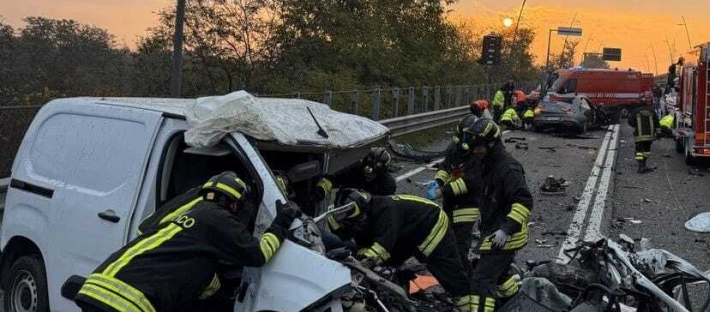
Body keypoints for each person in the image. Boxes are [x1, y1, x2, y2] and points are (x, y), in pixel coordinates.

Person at [76, 172, 297, 312]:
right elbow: (258, 254)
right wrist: (281, 222)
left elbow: (205, 285)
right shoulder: (217, 218)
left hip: (96, 286)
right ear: (234, 205)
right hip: (129, 303)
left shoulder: (181, 223)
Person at [327, 189, 470, 307]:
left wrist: (358, 266)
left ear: (365, 210)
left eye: (359, 220)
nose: (358, 224)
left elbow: (382, 247)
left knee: (444, 268)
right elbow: (362, 244)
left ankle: (468, 301)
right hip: (407, 231)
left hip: (430, 223)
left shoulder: (385, 211)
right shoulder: (364, 216)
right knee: (389, 264)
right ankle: (399, 287)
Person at [459, 118, 533, 312]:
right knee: (499, 276)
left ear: (491, 143)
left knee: (481, 280)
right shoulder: (487, 162)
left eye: (479, 148)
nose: (476, 151)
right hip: (493, 229)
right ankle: (516, 304)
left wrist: (505, 229)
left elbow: (524, 201)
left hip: (506, 235)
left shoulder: (508, 168)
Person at [427, 113, 482, 266]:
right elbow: (446, 166)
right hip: (450, 204)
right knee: (446, 239)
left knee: (460, 245)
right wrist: (438, 181)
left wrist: (442, 191)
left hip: (467, 207)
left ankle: (462, 277)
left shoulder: (479, 155)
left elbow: (469, 182)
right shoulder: (456, 149)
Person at [311, 147, 396, 207]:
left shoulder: (388, 184)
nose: (368, 175)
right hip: (341, 206)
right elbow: (332, 178)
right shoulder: (354, 168)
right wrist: (320, 190)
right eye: (365, 171)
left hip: (366, 216)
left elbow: (384, 206)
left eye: (372, 174)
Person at [630, 107, 658, 173]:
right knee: (646, 151)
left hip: (639, 137)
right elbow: (657, 122)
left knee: (639, 151)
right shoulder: (652, 111)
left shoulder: (635, 111)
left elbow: (630, 122)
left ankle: (640, 166)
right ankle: (644, 164)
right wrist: (658, 133)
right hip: (649, 136)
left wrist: (635, 125)